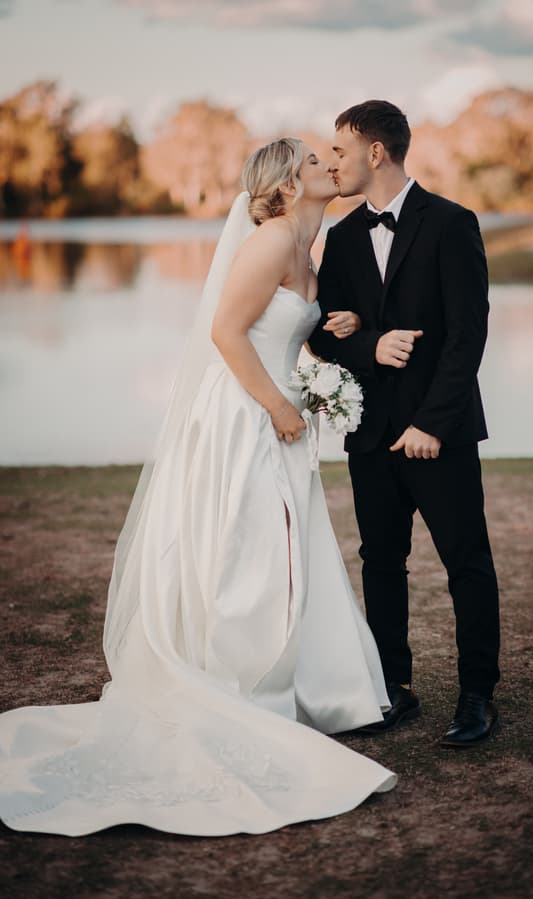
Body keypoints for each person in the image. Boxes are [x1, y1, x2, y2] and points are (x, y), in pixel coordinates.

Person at [0, 138, 426, 837]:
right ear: (288, 185)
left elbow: (280, 330)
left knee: (286, 550)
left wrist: (329, 328)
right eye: (317, 162)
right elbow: (228, 333)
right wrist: (281, 407)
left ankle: (298, 683)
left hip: (276, 417)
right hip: (245, 416)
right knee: (249, 549)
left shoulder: (303, 248)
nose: (330, 165)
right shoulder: (267, 243)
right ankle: (246, 684)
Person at [309, 101, 501, 748]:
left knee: (466, 561)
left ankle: (478, 694)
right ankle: (395, 686)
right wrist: (369, 346)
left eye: (339, 150)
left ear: (375, 151)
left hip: (437, 433)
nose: (331, 162)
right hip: (369, 433)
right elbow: (327, 334)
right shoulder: (337, 236)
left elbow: (467, 336)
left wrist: (431, 424)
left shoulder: (451, 223)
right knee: (381, 564)